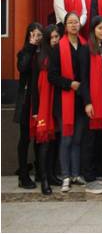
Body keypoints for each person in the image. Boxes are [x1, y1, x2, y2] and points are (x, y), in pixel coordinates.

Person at [48, 12, 85, 193]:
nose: (73, 25)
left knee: (77, 139)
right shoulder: (58, 48)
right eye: (70, 22)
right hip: (64, 101)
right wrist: (70, 84)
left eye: (76, 22)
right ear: (65, 26)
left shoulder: (84, 45)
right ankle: (65, 176)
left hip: (81, 100)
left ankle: (76, 174)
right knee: (66, 138)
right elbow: (52, 76)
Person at [79, 16, 102, 194]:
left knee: (100, 137)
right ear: (93, 30)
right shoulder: (86, 49)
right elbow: (83, 78)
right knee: (89, 140)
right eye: (100, 28)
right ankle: (89, 177)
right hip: (92, 100)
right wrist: (88, 102)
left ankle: (99, 171)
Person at [31, 25, 62, 194]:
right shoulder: (39, 56)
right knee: (44, 142)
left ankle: (51, 174)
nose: (55, 40)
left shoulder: (61, 53)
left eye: (57, 36)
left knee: (55, 140)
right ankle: (43, 179)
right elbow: (34, 86)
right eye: (52, 37)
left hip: (56, 102)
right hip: (43, 103)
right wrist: (36, 110)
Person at [15, 22, 44, 189]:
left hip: (40, 100)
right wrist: (31, 46)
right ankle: (23, 175)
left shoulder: (43, 53)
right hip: (26, 100)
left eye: (39, 35)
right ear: (29, 35)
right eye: (34, 35)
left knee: (40, 136)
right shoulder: (24, 52)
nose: (37, 38)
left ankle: (40, 171)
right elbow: (22, 67)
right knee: (25, 138)